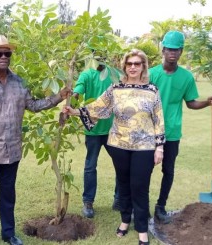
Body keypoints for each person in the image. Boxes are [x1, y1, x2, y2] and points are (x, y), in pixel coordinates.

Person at [0, 34, 71, 245]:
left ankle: (8, 233)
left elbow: (34, 105)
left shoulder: (19, 82)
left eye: (7, 53)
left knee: (8, 196)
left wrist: (59, 96)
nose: (3, 56)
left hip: (11, 150)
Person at [64, 49, 165, 245]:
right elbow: (99, 107)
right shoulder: (116, 88)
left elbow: (159, 120)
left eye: (137, 63)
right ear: (124, 66)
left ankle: (142, 229)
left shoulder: (152, 90)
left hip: (144, 147)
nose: (133, 67)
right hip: (119, 145)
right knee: (124, 184)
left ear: (143, 66)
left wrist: (159, 147)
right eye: (129, 64)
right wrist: (74, 111)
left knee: (140, 187)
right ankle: (125, 220)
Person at [150, 30, 212, 224]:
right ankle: (139, 208)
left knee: (168, 171)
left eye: (177, 49)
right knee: (143, 170)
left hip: (172, 132)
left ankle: (160, 207)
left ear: (181, 52)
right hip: (148, 131)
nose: (173, 53)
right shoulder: (151, 74)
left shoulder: (186, 77)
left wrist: (207, 102)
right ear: (163, 50)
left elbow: (191, 103)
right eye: (169, 49)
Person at [72, 50, 120, 218]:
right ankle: (88, 202)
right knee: (90, 166)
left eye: (102, 53)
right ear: (91, 55)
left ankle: (119, 199)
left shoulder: (115, 74)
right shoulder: (86, 75)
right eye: (96, 54)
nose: (100, 57)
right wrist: (72, 99)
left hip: (113, 129)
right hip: (92, 130)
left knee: (121, 164)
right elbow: (77, 92)